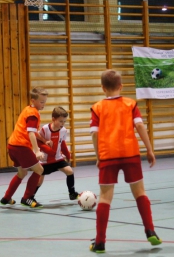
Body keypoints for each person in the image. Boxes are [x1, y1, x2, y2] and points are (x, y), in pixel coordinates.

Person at [89, 69, 162, 253]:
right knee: (140, 193)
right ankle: (150, 230)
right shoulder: (130, 104)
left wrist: (99, 156)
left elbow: (94, 134)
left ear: (103, 88)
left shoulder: (97, 107)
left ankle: (99, 243)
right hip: (130, 154)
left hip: (108, 155)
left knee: (105, 197)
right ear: (121, 86)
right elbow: (139, 125)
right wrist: (150, 149)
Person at [0, 87, 49, 208]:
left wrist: (43, 140)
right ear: (33, 100)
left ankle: (6, 198)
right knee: (40, 170)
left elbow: (33, 131)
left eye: (45, 101)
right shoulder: (33, 114)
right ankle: (27, 198)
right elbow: (31, 133)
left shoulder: (28, 109)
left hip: (12, 145)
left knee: (22, 173)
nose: (44, 104)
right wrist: (37, 151)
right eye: (41, 102)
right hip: (21, 147)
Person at [33, 106, 79, 201]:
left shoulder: (63, 130)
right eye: (61, 121)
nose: (63, 124)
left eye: (64, 121)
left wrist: (67, 154)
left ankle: (72, 193)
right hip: (45, 160)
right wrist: (49, 150)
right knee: (39, 181)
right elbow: (39, 142)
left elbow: (62, 143)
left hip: (58, 158)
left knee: (69, 171)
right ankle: (30, 196)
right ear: (53, 119)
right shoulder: (45, 129)